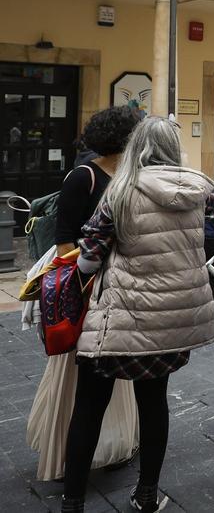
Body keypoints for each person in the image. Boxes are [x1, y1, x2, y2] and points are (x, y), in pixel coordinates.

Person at [65, 116, 214, 513]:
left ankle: (72, 501)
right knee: (154, 405)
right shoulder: (199, 189)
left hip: (119, 319)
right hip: (170, 324)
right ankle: (147, 493)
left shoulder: (120, 192)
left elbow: (88, 259)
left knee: (88, 407)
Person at [28, 107, 141, 484]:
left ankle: (111, 444)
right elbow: (63, 242)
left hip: (116, 289)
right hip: (86, 287)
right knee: (81, 375)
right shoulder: (83, 177)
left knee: (113, 372)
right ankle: (70, 451)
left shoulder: (126, 175)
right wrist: (91, 266)